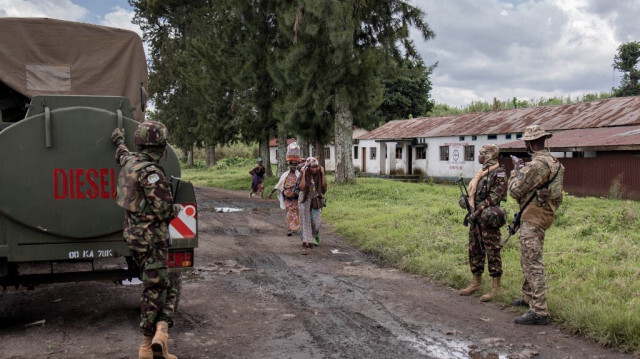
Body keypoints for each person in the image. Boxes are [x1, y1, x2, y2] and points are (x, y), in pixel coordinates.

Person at [111, 121, 181, 359]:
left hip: (135, 238)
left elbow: (122, 154)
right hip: (152, 241)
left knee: (166, 286)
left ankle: (161, 335)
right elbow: (164, 211)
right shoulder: (152, 173)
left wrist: (119, 140)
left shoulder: (131, 162)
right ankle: (146, 345)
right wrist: (177, 207)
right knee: (154, 289)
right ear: (160, 146)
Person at [508, 125, 564, 325]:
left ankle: (539, 310)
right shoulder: (554, 162)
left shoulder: (537, 165)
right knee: (527, 257)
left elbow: (515, 191)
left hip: (533, 217)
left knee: (532, 261)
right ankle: (528, 297)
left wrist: (515, 173)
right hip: (543, 214)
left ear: (530, 143)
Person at [458, 144, 508, 302]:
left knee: (492, 251)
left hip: (488, 217)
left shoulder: (498, 173)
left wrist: (480, 208)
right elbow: (476, 193)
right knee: (474, 249)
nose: (478, 157)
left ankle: (496, 288)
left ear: (489, 156)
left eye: (481, 154)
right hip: (476, 217)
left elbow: (496, 196)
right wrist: (468, 202)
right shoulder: (481, 173)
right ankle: (476, 283)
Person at [270, 143, 301, 236]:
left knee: (296, 212)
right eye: (292, 165)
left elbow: (303, 185)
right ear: (289, 165)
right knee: (289, 212)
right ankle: (289, 229)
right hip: (287, 197)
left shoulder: (299, 175)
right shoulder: (285, 175)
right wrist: (272, 192)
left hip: (296, 197)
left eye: (295, 165)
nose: (293, 166)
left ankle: (294, 227)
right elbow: (279, 185)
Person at [298, 157, 327, 255]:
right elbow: (301, 187)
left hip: (315, 199)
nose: (314, 169)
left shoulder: (319, 174)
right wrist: (304, 174)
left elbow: (324, 187)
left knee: (317, 222)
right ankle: (304, 244)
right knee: (305, 221)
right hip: (305, 199)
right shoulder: (304, 174)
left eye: (316, 167)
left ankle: (311, 237)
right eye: (312, 167)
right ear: (308, 167)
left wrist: (323, 173)